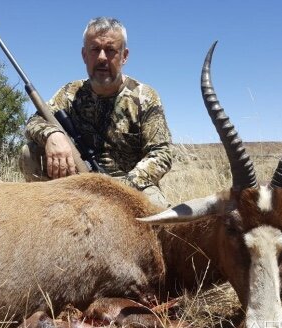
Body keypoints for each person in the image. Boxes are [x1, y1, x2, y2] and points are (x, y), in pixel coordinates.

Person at [19, 17, 173, 207]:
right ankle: (45, 217)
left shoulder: (145, 96)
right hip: (78, 180)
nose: (101, 57)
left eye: (110, 50)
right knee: (30, 152)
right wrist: (53, 134)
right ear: (84, 55)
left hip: (132, 187)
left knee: (164, 222)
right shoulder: (69, 93)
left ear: (124, 56)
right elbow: (34, 122)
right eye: (95, 50)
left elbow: (161, 153)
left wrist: (120, 189)